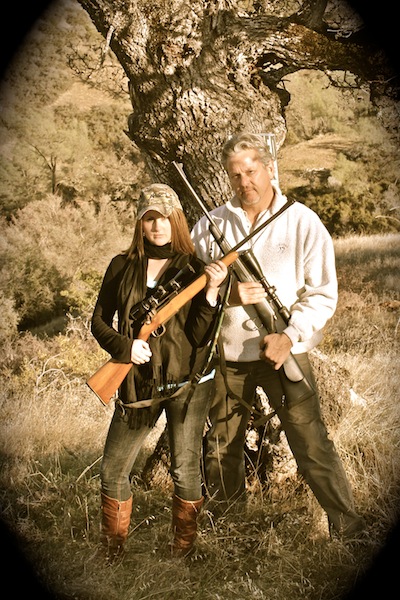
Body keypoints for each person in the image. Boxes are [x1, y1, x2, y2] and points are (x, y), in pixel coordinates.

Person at [191, 132, 366, 539]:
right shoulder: (210, 226)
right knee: (221, 450)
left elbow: (323, 294)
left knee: (312, 447)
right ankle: (230, 533)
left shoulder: (303, 220)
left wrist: (289, 335)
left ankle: (350, 532)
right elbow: (192, 290)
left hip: (282, 352)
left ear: (269, 168)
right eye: (235, 176)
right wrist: (228, 295)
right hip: (229, 356)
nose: (244, 183)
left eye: (251, 172)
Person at [91, 183, 228, 560]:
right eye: (150, 218)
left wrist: (212, 292)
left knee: (185, 470)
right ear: (140, 222)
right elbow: (99, 321)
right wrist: (125, 347)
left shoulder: (194, 269)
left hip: (188, 384)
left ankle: (181, 552)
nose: (158, 226)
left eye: (165, 218)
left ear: (178, 221)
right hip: (137, 383)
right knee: (113, 470)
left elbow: (199, 335)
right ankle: (112, 551)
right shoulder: (122, 265)